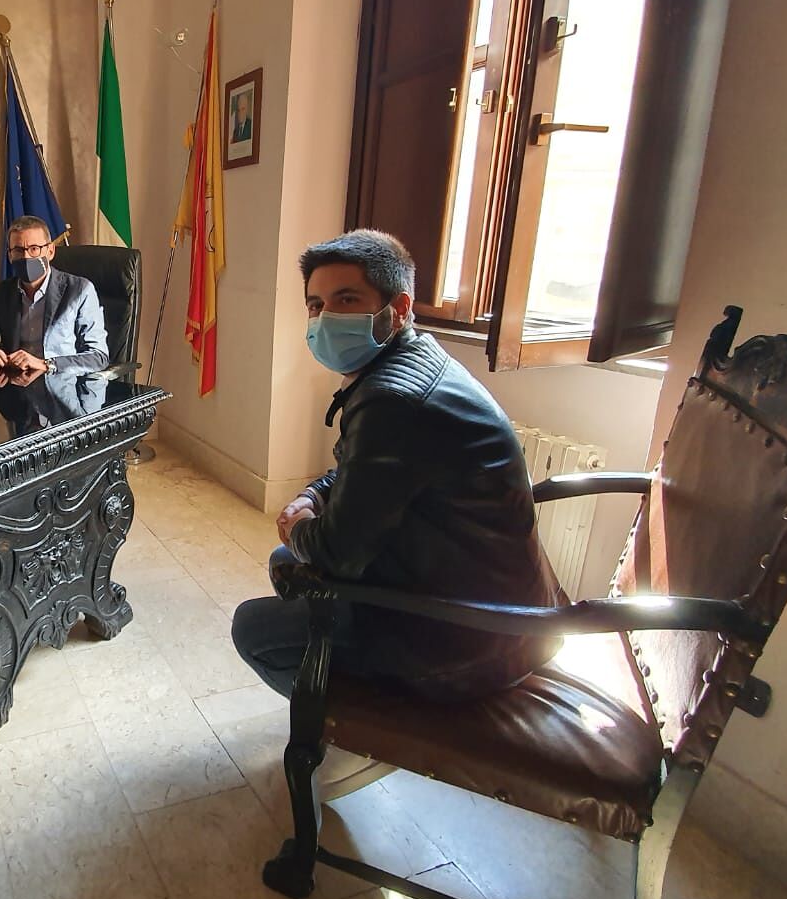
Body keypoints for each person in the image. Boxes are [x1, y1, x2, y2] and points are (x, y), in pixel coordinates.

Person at [231, 229, 564, 703]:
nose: (325, 318)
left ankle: (362, 722)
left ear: (399, 307)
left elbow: (335, 553)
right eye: (316, 305)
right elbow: (367, 470)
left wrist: (297, 525)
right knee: (287, 563)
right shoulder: (414, 360)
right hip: (498, 606)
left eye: (346, 299)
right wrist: (313, 495)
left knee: (254, 627)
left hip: (476, 636)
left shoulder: (392, 398)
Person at [0, 216, 109, 376]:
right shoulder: (5, 292)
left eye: (34, 249)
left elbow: (98, 357)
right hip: (15, 382)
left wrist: (46, 364)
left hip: (60, 384)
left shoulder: (79, 290)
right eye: (18, 250)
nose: (26, 257)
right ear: (10, 255)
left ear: (50, 251)